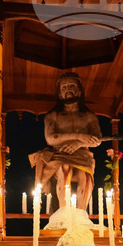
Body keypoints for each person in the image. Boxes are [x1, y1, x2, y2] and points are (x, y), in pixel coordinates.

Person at [28, 71, 103, 211]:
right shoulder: (53, 116)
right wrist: (80, 136)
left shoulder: (89, 116)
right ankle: (63, 212)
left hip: (83, 155)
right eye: (64, 87)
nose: (68, 89)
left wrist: (79, 144)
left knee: (85, 176)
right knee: (64, 169)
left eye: (71, 86)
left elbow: (97, 139)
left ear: (79, 91)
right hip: (60, 153)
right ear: (60, 94)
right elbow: (50, 138)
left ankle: (81, 214)